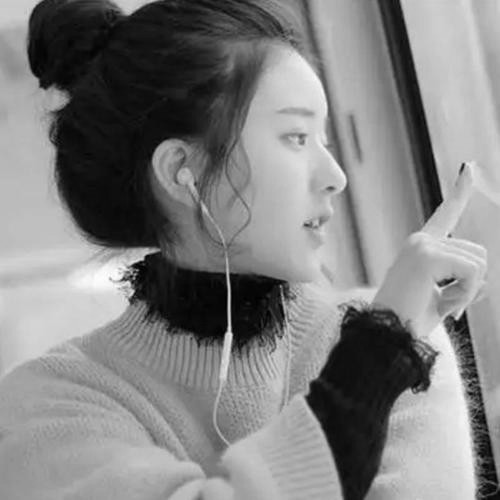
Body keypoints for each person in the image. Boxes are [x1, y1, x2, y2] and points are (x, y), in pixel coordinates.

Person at [0, 0, 487, 498]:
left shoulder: (401, 334)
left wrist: (388, 343)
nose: (336, 177)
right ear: (180, 170)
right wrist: (375, 361)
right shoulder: (48, 406)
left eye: (324, 140)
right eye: (296, 137)